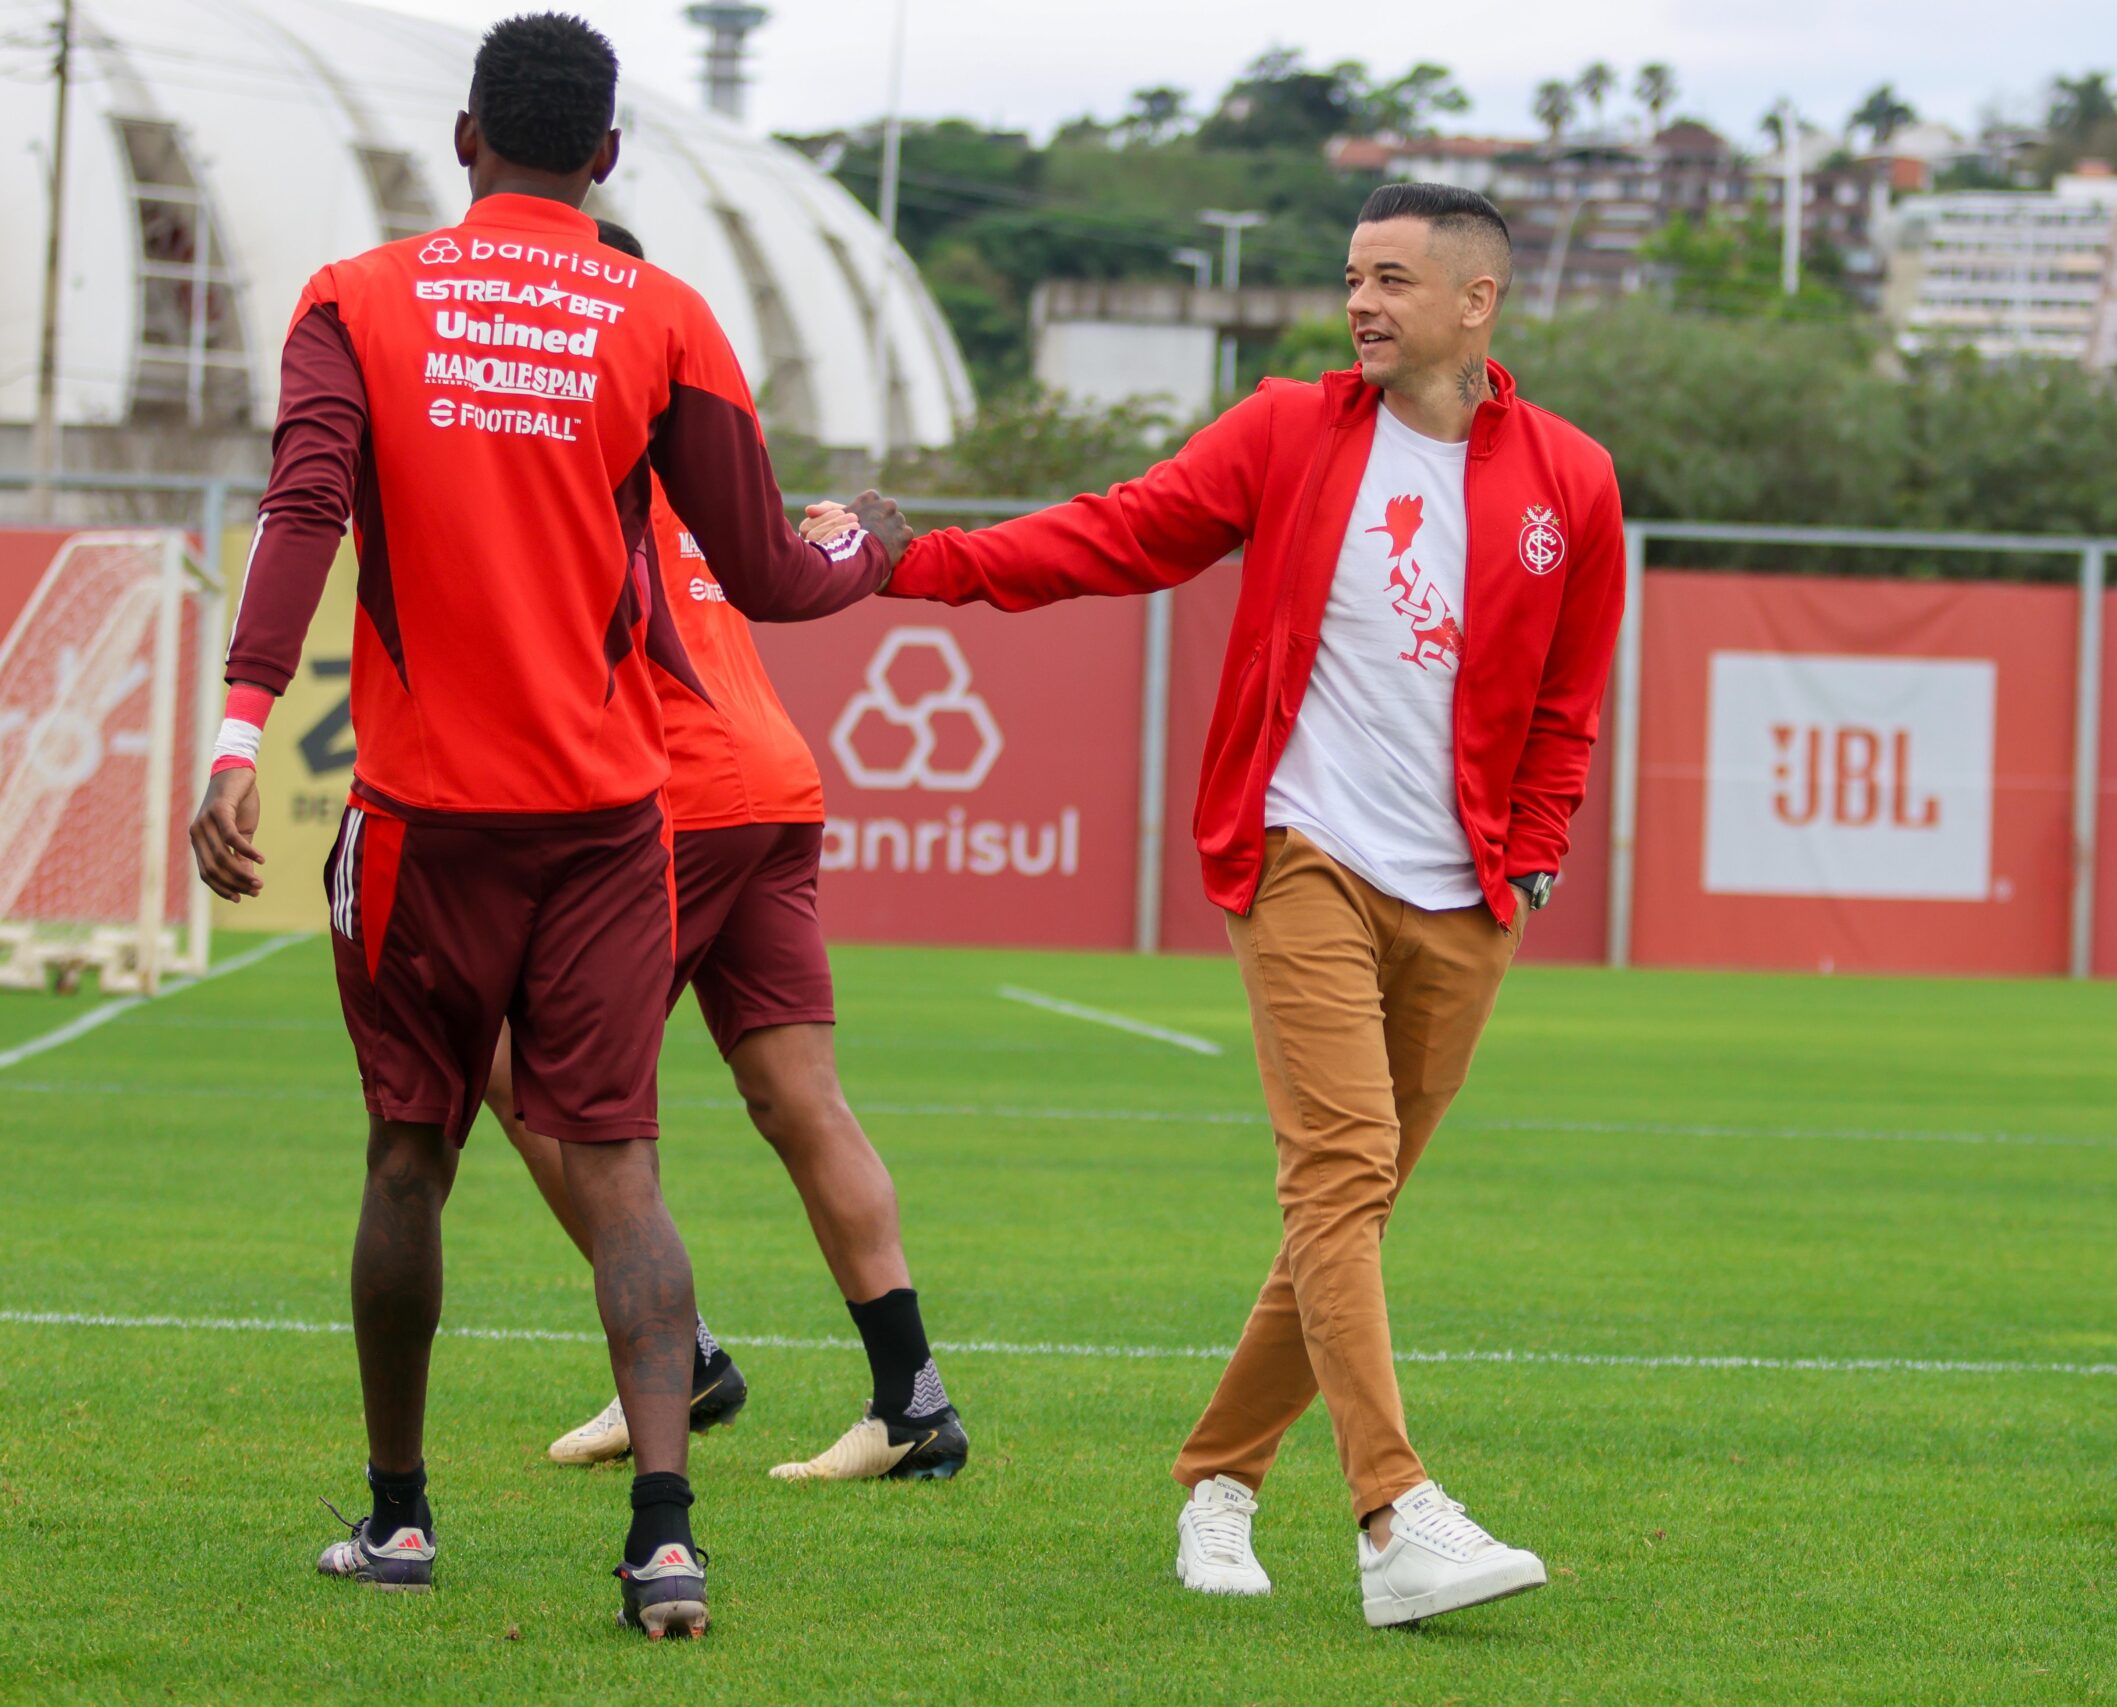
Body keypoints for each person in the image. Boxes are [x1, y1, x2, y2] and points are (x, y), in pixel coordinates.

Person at [804, 181, 1624, 1628]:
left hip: (1469, 897)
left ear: (1477, 302)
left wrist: (1539, 843)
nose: (1362, 301)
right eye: (1354, 275)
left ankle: (1220, 1478)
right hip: (1299, 849)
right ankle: (1393, 1513)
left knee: (1349, 1206)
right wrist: (911, 562)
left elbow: (1570, 693)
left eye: (1392, 279)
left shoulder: (1575, 479)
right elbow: (1113, 534)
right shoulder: (1290, 433)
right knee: (1341, 1170)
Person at [187, 14, 898, 1639]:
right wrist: (872, 544)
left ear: (462, 140)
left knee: (407, 1161)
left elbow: (304, 513)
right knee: (624, 1170)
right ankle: (664, 1541)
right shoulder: (663, 316)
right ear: (611, 154)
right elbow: (778, 576)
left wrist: (239, 736)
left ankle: (400, 1519)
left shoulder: (355, 302)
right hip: (602, 827)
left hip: (424, 824)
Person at [484, 219, 967, 1486]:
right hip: (778, 787)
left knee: (527, 1076)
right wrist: (862, 531)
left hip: (675, 801)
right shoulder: (696, 462)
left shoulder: (558, 460)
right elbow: (801, 558)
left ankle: (682, 1356)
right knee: (799, 1100)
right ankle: (911, 1404)